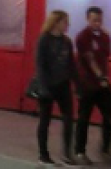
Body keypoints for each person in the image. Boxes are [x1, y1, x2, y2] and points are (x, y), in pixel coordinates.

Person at [74, 6, 111, 166]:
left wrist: (105, 78)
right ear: (88, 19)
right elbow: (90, 59)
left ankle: (106, 150)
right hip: (87, 84)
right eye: (94, 20)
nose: (97, 23)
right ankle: (80, 151)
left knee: (109, 117)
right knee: (83, 118)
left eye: (99, 20)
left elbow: (104, 58)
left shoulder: (105, 37)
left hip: (103, 85)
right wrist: (100, 75)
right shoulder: (82, 37)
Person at [34, 10, 78, 166]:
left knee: (69, 119)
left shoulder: (66, 41)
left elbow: (71, 64)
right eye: (65, 22)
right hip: (48, 85)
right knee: (45, 121)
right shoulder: (44, 40)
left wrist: (77, 84)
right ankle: (43, 154)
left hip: (63, 85)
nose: (67, 25)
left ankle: (67, 153)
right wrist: (43, 87)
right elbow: (40, 65)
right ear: (56, 22)